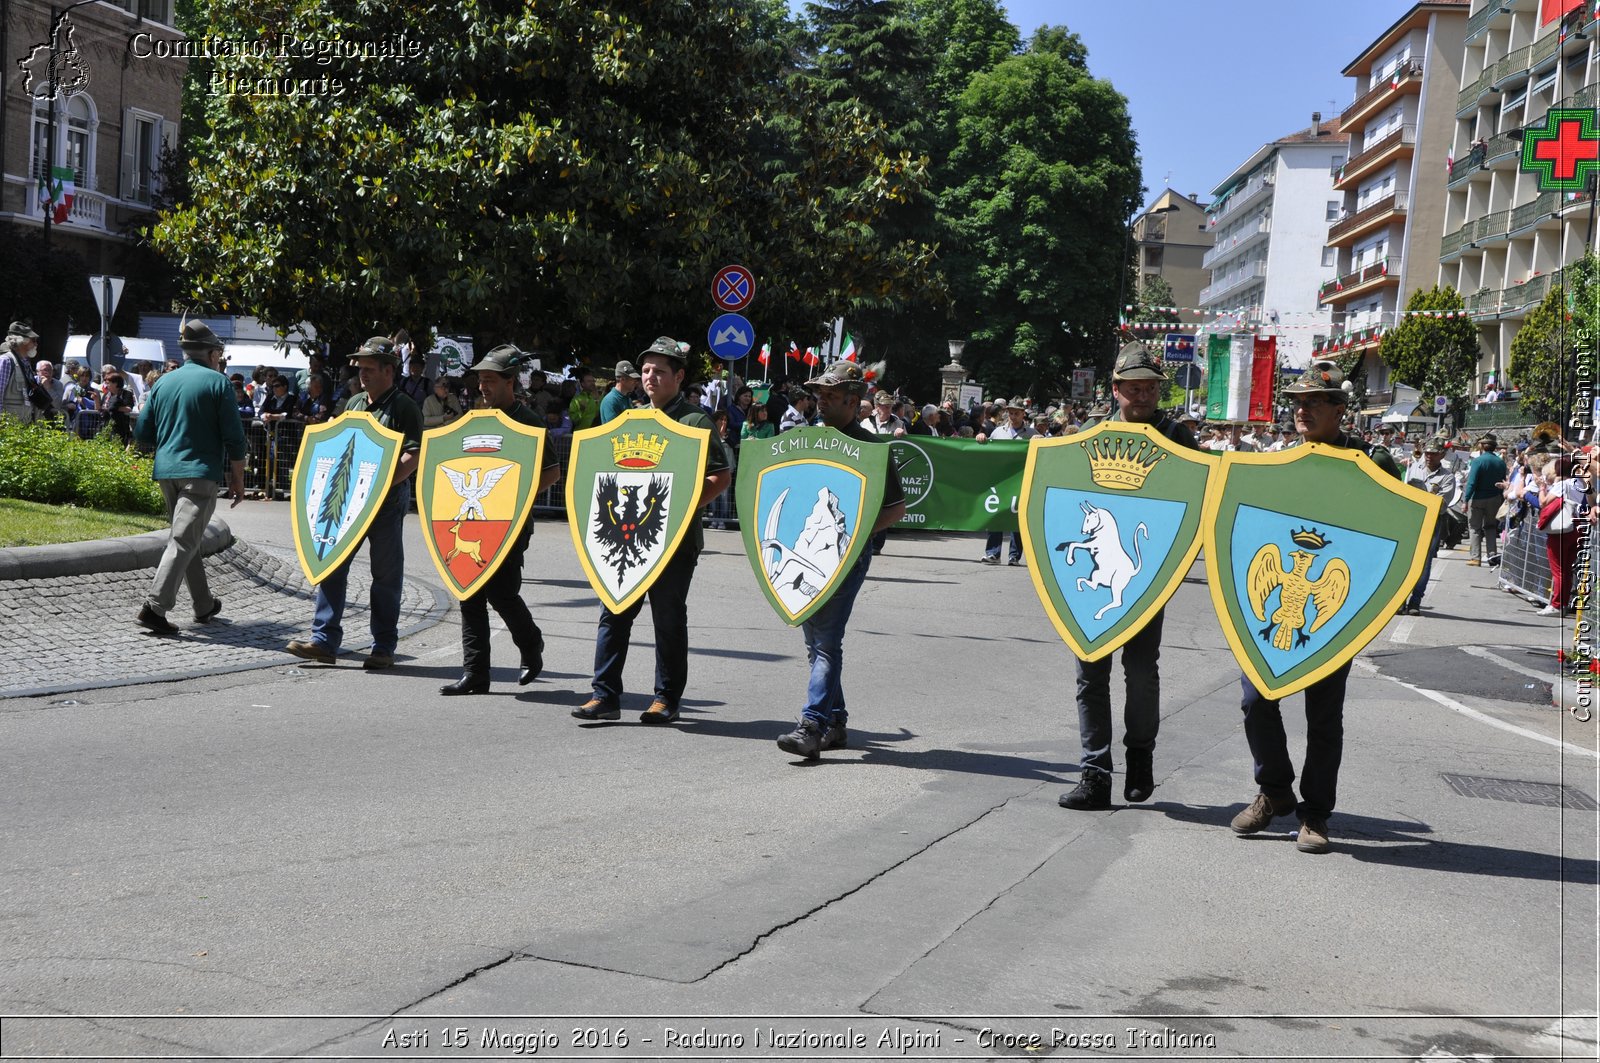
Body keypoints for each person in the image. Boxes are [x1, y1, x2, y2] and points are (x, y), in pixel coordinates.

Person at [1229, 360, 1398, 854]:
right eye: (1297, 403)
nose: (1302, 410)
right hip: (1274, 611)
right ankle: (1274, 790)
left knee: (1323, 718)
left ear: (1340, 410)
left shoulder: (1375, 462)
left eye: (1313, 402)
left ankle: (1316, 814)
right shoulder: (1280, 463)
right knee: (1256, 701)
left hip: (1334, 613)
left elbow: (1396, 531)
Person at [1058, 344, 1199, 811]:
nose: (1142, 396)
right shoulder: (1088, 434)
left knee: (1140, 674)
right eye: (1133, 387)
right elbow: (1060, 494)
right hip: (1094, 571)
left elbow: (1199, 503)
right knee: (1089, 676)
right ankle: (1095, 772)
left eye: (1150, 388)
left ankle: (1140, 756)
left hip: (1147, 577)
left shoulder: (1178, 437)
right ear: (1115, 389)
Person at [573, 336, 731, 725]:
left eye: (659, 371)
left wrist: (682, 509)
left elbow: (720, 476)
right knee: (614, 610)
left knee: (668, 618)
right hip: (627, 533)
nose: (650, 377)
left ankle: (666, 698)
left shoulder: (694, 421)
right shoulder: (633, 417)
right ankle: (604, 695)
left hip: (675, 541)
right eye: (645, 370)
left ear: (679, 376)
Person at [773, 360, 907, 758]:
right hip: (808, 550)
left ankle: (812, 724)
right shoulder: (807, 440)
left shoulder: (871, 448)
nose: (821, 403)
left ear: (852, 401)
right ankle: (837, 722)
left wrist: (855, 534)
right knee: (816, 643)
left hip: (845, 556)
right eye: (819, 395)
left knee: (827, 641)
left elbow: (896, 509)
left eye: (829, 396)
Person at [286, 336, 423, 670]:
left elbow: (414, 454)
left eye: (369, 368)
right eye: (360, 368)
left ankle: (383, 647)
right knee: (332, 564)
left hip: (388, 500)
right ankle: (323, 641)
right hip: (349, 499)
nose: (362, 374)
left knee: (385, 574)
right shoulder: (354, 403)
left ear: (389, 371)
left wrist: (382, 485)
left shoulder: (404, 406)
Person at [440, 345, 563, 695]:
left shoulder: (529, 422)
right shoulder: (477, 420)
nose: (483, 387)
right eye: (480, 380)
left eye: (490, 380)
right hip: (476, 521)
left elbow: (552, 472)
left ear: (511, 383)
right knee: (470, 592)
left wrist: (516, 499)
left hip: (511, 525)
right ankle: (476, 673)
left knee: (502, 594)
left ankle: (530, 645)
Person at [131, 320, 247, 634]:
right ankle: (155, 607)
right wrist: (238, 479)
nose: (219, 360)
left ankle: (203, 604)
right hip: (200, 472)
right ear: (210, 353)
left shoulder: (163, 383)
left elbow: (143, 431)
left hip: (167, 470)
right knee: (184, 540)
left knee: (188, 538)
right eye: (218, 355)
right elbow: (235, 438)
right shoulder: (218, 383)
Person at [1402, 439, 1457, 616]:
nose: (1429, 456)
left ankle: (1415, 601)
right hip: (1410, 519)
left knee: (1424, 563)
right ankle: (1399, 599)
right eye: (1427, 453)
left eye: (1433, 453)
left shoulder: (1447, 477)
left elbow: (1441, 504)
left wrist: (1421, 496)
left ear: (1442, 454)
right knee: (1404, 560)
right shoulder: (1414, 468)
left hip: (1431, 522)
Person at [980, 397, 1034, 565]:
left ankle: (1014, 556)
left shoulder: (1032, 434)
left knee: (1017, 517)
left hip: (1021, 481)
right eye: (1010, 413)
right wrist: (981, 437)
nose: (1013, 416)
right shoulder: (998, 432)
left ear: (1023, 414)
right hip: (1000, 480)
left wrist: (1041, 441)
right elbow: (988, 451)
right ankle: (993, 553)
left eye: (1016, 413)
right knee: (996, 515)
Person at [1537, 453, 1588, 616]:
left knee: (1558, 569)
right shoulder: (1579, 483)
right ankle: (1562, 603)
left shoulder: (1563, 485)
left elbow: (1544, 502)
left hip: (1562, 529)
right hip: (1577, 526)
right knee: (1566, 569)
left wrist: (1542, 488)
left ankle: (1557, 604)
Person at [1463, 433, 1507, 567]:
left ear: (1482, 446)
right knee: (1491, 527)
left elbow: (1472, 482)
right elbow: (1503, 480)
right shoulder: (1501, 462)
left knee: (1475, 528)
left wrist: (1466, 499)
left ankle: (1475, 557)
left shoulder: (1478, 461)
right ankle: (1492, 555)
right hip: (1494, 498)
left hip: (1478, 498)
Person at [0, 322, 42, 423]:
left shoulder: (26, 364)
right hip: (7, 427)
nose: (36, 344)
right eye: (33, 340)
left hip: (22, 427)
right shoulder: (6, 361)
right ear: (23, 341)